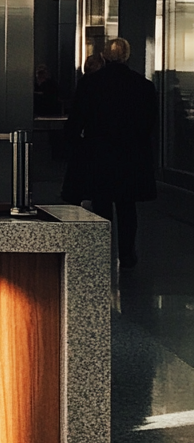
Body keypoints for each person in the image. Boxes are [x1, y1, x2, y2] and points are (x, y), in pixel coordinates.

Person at [64, 37, 157, 270]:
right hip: (130, 156)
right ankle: (127, 255)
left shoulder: (90, 84)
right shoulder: (143, 86)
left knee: (101, 204)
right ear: (127, 56)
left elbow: (75, 122)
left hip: (99, 154)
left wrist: (78, 147)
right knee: (127, 207)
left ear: (104, 56)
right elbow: (150, 125)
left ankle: (100, 252)